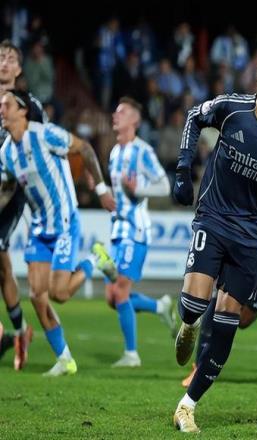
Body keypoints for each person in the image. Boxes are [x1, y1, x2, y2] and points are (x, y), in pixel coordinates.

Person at [171, 51, 257, 433]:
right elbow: (194, 117)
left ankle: (187, 406)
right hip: (214, 219)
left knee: (228, 323)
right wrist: (183, 169)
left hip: (250, 236)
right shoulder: (232, 109)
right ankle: (188, 323)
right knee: (194, 304)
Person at [0, 89, 116, 376]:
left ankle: (95, 259)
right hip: (39, 228)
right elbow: (6, 188)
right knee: (37, 295)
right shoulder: (6, 152)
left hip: (64, 222)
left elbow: (85, 148)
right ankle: (65, 359)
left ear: (23, 111)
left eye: (6, 105)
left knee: (60, 293)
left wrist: (102, 189)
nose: (1, 110)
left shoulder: (45, 134)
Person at [181, 199, 257, 387]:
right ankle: (200, 366)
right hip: (239, 239)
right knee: (222, 296)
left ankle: (223, 320)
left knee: (244, 318)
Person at [92, 97, 175, 368]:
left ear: (135, 121)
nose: (115, 116)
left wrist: (138, 190)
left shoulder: (142, 151)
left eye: (122, 112)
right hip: (118, 229)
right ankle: (159, 307)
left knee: (120, 291)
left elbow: (164, 186)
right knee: (112, 298)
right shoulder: (115, 152)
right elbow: (120, 194)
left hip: (135, 230)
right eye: (115, 112)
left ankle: (131, 355)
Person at [0, 39, 44, 370]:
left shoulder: (30, 106)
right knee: (3, 267)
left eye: (11, 58)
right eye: (1, 57)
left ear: (19, 68)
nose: (4, 62)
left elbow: (39, 148)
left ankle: (8, 332)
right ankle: (19, 331)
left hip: (10, 193)